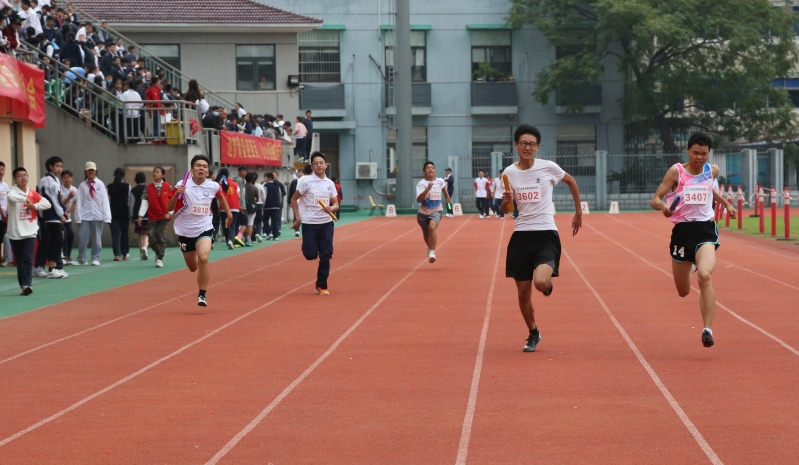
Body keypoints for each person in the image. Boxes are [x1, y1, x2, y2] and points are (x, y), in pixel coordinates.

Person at [650, 132, 737, 348]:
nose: (700, 157)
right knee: (683, 291)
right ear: (687, 150)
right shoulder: (676, 172)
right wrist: (664, 206)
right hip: (682, 232)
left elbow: (709, 189)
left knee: (705, 276)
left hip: (705, 229)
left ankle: (708, 329)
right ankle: (691, 265)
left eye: (704, 154)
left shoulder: (712, 171)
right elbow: (655, 199)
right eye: (696, 153)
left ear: (709, 153)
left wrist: (726, 203)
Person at [501, 124, 583, 352]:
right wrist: (506, 201)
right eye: (523, 143)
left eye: (532, 144)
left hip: (546, 233)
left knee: (539, 282)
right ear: (516, 145)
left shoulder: (548, 167)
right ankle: (533, 332)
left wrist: (578, 212)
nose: (527, 147)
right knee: (523, 293)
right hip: (521, 236)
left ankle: (546, 283)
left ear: (537, 146)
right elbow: (507, 210)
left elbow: (571, 181)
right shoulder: (508, 173)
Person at [168, 155, 232, 306]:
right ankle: (198, 261)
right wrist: (177, 193)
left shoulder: (213, 186)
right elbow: (169, 207)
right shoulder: (182, 184)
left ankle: (202, 294)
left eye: (204, 166)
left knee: (203, 258)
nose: (201, 168)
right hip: (185, 232)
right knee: (193, 267)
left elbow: (221, 197)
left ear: (208, 171)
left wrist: (229, 214)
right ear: (191, 170)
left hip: (205, 228)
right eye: (198, 166)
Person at [291, 152, 339, 295]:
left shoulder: (330, 184)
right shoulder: (306, 182)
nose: (319, 165)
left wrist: (331, 208)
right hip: (309, 223)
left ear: (326, 165)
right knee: (310, 254)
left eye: (321, 163)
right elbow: (293, 199)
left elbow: (336, 204)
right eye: (316, 163)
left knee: (326, 255)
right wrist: (298, 218)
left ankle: (321, 285)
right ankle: (313, 247)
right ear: (312, 166)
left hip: (326, 224)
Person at [7, 167, 51, 295]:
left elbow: (47, 204)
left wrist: (34, 205)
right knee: (20, 259)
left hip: (30, 231)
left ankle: (27, 285)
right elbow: (11, 198)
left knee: (28, 258)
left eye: (25, 175)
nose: (23, 177)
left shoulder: (33, 193)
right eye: (20, 176)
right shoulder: (12, 192)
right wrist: (25, 199)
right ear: (15, 179)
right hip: (16, 232)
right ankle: (23, 285)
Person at [34, 156, 68, 278]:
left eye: (61, 166)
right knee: (55, 240)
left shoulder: (54, 180)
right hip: (48, 215)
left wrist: (63, 211)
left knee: (51, 241)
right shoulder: (48, 181)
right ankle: (51, 268)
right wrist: (61, 214)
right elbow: (53, 200)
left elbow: (57, 199)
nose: (60, 169)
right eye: (57, 166)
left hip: (52, 214)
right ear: (50, 167)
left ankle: (48, 267)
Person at [75, 162, 111, 266]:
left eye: (92, 170)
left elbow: (105, 201)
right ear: (86, 172)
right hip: (85, 215)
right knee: (82, 237)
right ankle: (81, 259)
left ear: (96, 171)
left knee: (97, 238)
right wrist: (78, 217)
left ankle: (96, 257)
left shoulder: (100, 184)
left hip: (98, 215)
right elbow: (79, 201)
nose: (91, 172)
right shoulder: (82, 185)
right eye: (88, 170)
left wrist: (107, 217)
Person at [416, 161, 451, 264]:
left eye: (432, 168)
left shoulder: (440, 181)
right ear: (424, 172)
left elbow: (444, 188)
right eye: (428, 168)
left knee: (432, 227)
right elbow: (419, 199)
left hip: (436, 209)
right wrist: (427, 189)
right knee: (426, 233)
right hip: (423, 212)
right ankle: (429, 247)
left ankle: (432, 252)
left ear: (435, 171)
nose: (430, 169)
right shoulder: (421, 184)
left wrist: (447, 198)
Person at [137, 166, 172, 268]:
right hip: (152, 216)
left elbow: (173, 202)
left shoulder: (168, 187)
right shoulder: (148, 188)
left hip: (164, 217)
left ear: (162, 175)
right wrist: (140, 215)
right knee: (151, 237)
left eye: (157, 172)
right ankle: (158, 252)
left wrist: (170, 213)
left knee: (161, 237)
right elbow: (144, 202)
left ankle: (159, 258)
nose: (155, 174)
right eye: (154, 172)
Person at [107, 167, 130, 261]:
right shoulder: (127, 186)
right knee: (124, 234)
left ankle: (117, 254)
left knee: (115, 235)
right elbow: (129, 200)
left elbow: (107, 201)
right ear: (123, 175)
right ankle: (125, 253)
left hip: (113, 213)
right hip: (124, 213)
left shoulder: (109, 187)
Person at [215, 168, 241, 249]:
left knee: (224, 224)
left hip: (223, 207)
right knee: (233, 225)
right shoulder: (235, 184)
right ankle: (231, 240)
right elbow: (239, 196)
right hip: (234, 207)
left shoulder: (218, 184)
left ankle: (227, 240)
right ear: (228, 174)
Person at [60, 169, 78, 266]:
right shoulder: (59, 189)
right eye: (64, 178)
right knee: (64, 235)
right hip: (60, 217)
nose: (67, 179)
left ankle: (68, 256)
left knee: (71, 234)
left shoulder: (75, 190)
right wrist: (69, 198)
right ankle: (64, 255)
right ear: (62, 179)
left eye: (68, 177)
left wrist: (68, 211)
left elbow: (76, 203)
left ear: (72, 178)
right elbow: (59, 204)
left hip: (68, 217)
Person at [129, 171, 148, 260]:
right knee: (147, 233)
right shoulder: (148, 188)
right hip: (147, 214)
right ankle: (145, 247)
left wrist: (131, 216)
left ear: (136, 179)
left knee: (140, 234)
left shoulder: (133, 190)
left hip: (137, 215)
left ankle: (141, 252)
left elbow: (131, 205)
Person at [263, 172, 283, 241]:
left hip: (268, 206)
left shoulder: (266, 185)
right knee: (275, 221)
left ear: (269, 178)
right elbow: (280, 196)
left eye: (265, 177)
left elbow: (264, 196)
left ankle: (268, 233)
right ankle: (275, 236)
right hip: (276, 206)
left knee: (265, 219)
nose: (265, 179)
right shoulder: (277, 185)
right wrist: (279, 203)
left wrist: (263, 204)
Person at [287, 168, 302, 236]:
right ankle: (297, 230)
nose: (300, 174)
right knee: (296, 215)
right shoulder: (294, 182)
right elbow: (291, 192)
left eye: (302, 172)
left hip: (304, 202)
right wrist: (289, 201)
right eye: (299, 172)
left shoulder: (307, 182)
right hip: (296, 201)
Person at [0, 161, 10, 267]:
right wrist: (2, 212)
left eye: (2, 169)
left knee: (3, 236)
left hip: (4, 216)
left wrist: (7, 212)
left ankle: (3, 257)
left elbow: (7, 200)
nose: (1, 171)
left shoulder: (5, 185)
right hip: (1, 214)